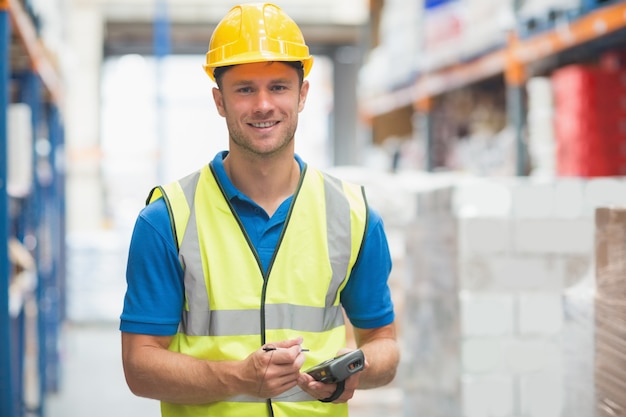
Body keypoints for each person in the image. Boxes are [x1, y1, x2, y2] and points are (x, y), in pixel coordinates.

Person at [119, 3, 399, 416]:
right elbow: (139, 366)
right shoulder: (168, 220)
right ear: (220, 101)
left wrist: (355, 371)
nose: (264, 104)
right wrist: (239, 378)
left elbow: (384, 344)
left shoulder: (352, 215)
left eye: (279, 87)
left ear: (303, 94)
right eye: (245, 89)